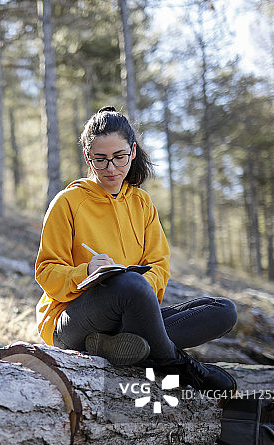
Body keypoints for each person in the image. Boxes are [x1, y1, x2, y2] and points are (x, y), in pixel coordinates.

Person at [34, 106, 237, 394]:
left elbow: (159, 266)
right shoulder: (68, 201)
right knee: (127, 284)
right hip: (70, 320)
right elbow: (46, 272)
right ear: (87, 158)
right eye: (100, 160)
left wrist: (140, 285)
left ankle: (124, 347)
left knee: (223, 311)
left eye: (119, 158)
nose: (111, 169)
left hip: (131, 316)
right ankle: (177, 363)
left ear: (132, 150)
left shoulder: (142, 203)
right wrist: (87, 272)